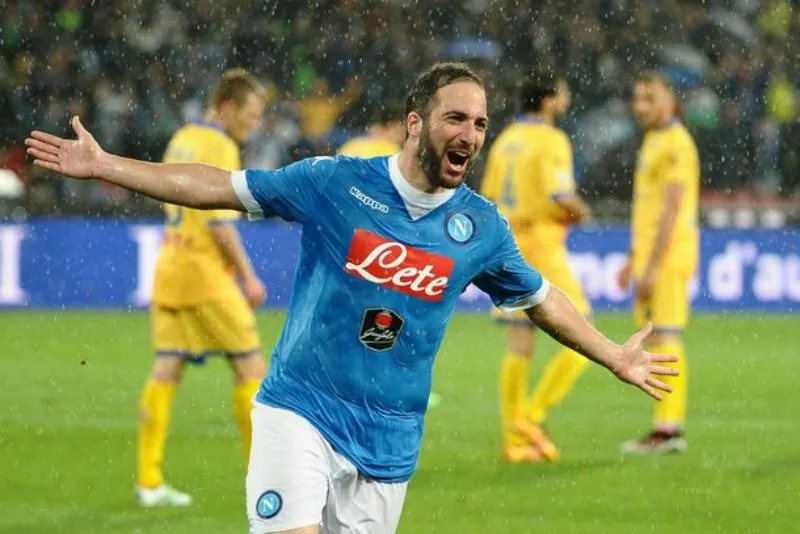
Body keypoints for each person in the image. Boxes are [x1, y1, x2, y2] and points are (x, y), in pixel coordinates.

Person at [27, 62, 677, 534]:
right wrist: (108, 166)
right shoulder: (335, 183)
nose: (471, 135)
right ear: (416, 123)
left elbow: (542, 299)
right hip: (300, 411)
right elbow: (220, 186)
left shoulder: (479, 228)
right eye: (457, 118)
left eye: (480, 123)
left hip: (389, 443)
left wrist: (613, 356)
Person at [135, 69, 269, 506]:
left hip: (170, 264)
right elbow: (218, 221)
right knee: (252, 370)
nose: (255, 123)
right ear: (228, 106)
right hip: (204, 272)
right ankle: (264, 479)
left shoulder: (183, 137)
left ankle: (148, 482)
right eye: (251, 114)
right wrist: (247, 275)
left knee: (166, 369)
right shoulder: (219, 144)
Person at [481, 71, 593, 463]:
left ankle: (514, 441)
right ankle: (533, 416)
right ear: (549, 100)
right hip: (542, 244)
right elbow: (560, 194)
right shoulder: (551, 139)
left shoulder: (507, 139)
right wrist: (582, 211)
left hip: (508, 244)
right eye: (563, 91)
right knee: (582, 335)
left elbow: (489, 196)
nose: (567, 98)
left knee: (518, 344)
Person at [618, 71, 700, 455]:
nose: (641, 107)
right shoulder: (654, 139)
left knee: (666, 336)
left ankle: (668, 430)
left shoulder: (676, 143)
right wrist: (634, 259)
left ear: (671, 98)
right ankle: (665, 427)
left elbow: (671, 209)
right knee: (656, 336)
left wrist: (651, 266)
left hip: (667, 257)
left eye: (649, 98)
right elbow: (648, 210)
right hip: (652, 256)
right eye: (637, 99)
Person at [337, 105, 405, 158]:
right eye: (404, 129)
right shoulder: (393, 153)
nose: (405, 135)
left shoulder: (351, 145)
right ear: (391, 125)